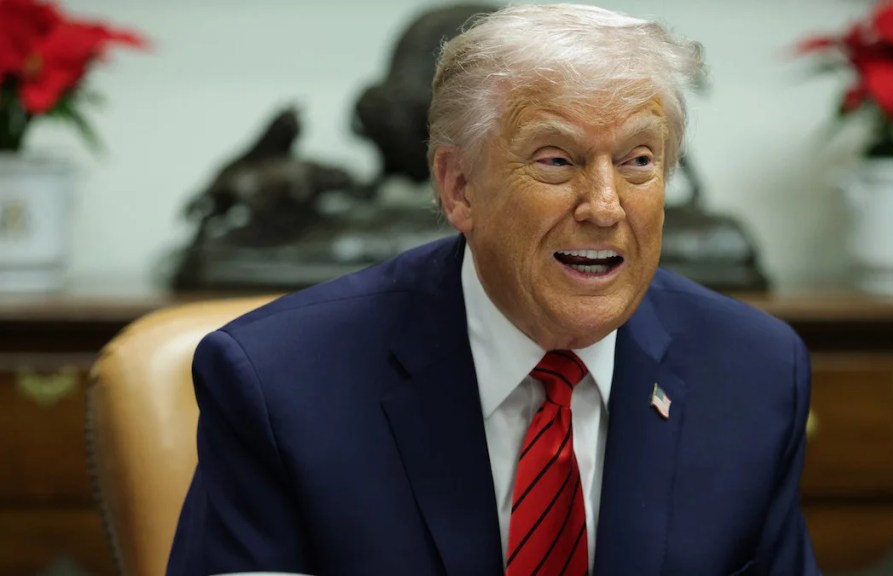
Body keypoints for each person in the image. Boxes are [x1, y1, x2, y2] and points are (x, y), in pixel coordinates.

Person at [167, 4, 820, 575]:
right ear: (458, 188)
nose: (604, 205)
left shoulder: (755, 372)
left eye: (638, 161)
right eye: (556, 161)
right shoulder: (281, 383)